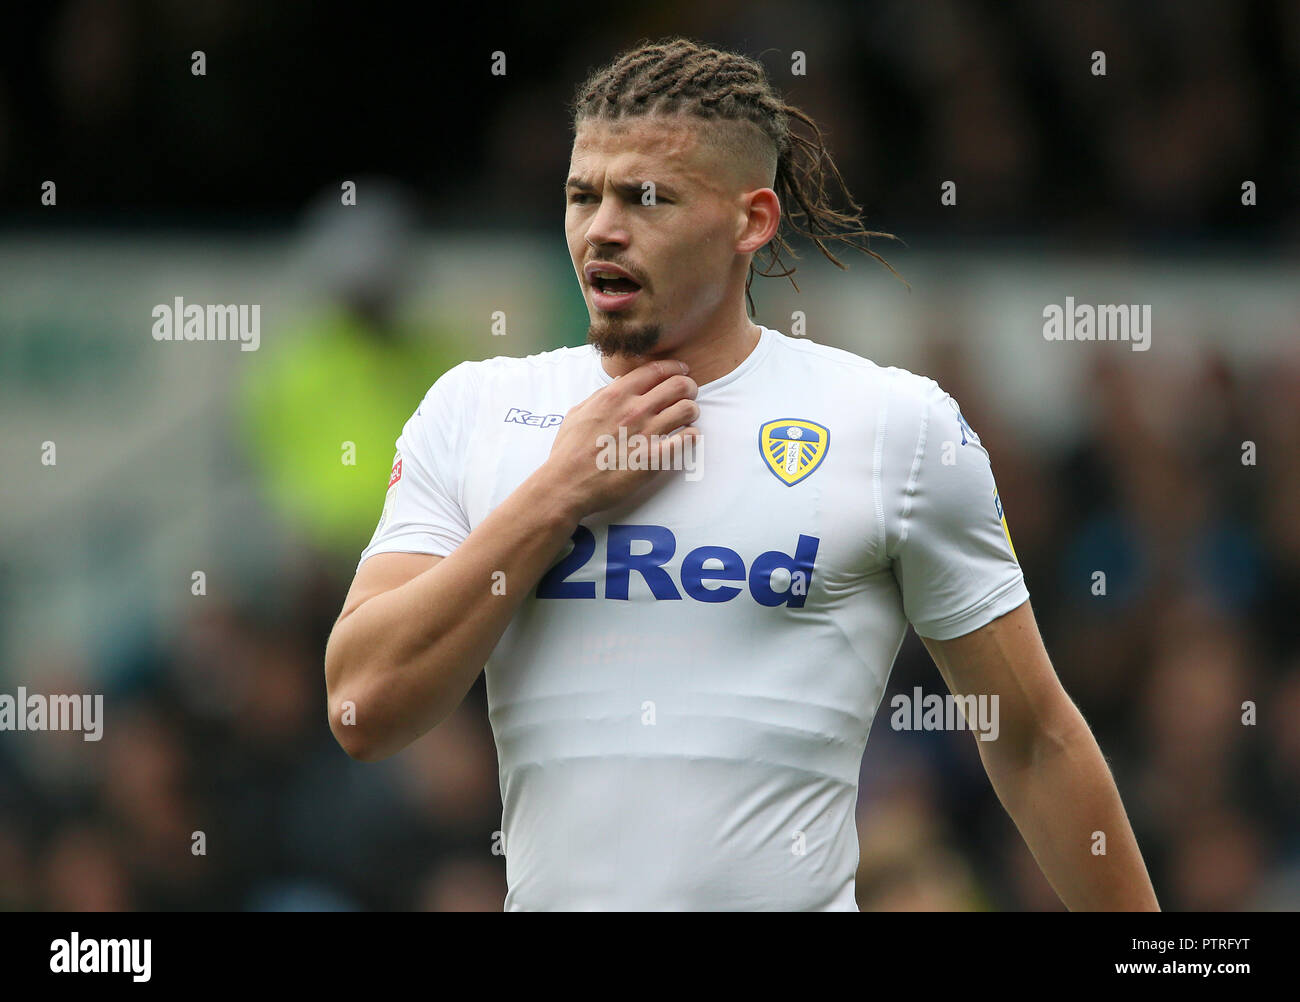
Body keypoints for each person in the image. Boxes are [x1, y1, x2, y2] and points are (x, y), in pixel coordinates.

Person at [324, 37, 1158, 911]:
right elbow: (362, 708)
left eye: (644, 197)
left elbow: (1031, 740)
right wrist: (557, 494)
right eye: (582, 196)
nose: (602, 226)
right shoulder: (477, 411)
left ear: (751, 221)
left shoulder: (893, 427)